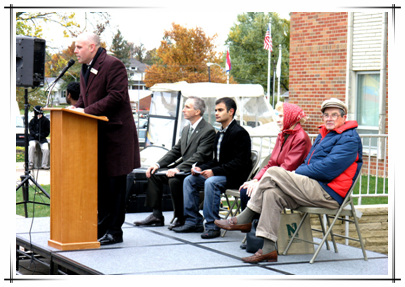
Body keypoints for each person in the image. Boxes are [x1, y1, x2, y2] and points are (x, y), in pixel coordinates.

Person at [215, 98, 363, 263]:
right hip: (314, 186)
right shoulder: (324, 135)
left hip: (329, 192)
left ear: (344, 117)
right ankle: (269, 249)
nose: (329, 118)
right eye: (326, 115)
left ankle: (245, 217)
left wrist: (297, 172)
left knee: (274, 172)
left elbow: (327, 170)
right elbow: (309, 163)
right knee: (272, 194)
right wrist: (300, 172)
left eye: (334, 115)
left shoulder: (349, 138)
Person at [72, 32, 140, 245]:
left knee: (114, 186)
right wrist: (74, 109)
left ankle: (114, 231)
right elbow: (85, 98)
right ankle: (101, 227)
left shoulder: (113, 64)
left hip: (115, 137)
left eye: (79, 47)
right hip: (96, 137)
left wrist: (86, 111)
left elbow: (116, 96)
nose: (75, 51)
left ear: (92, 47)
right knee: (101, 186)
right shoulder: (85, 67)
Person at [173, 97, 252, 239]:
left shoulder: (240, 133)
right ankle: (193, 220)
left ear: (231, 112)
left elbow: (239, 163)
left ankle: (212, 225)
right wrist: (199, 168)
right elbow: (216, 160)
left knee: (211, 182)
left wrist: (214, 172)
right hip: (221, 173)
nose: (216, 113)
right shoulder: (220, 133)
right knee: (190, 179)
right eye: (215, 110)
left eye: (220, 110)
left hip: (235, 177)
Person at [134, 96, 216, 230]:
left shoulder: (208, 131)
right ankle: (156, 215)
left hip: (196, 171)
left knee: (174, 180)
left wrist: (178, 168)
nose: (183, 110)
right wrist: (158, 164)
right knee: (154, 174)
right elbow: (176, 151)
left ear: (197, 112)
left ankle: (181, 217)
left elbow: (200, 156)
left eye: (187, 107)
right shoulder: (186, 129)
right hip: (183, 168)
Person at [239, 102, 311, 210]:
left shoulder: (301, 138)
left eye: (281, 116)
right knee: (247, 188)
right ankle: (250, 224)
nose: (277, 119)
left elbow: (287, 168)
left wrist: (261, 183)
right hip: (276, 178)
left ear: (291, 116)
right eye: (277, 115)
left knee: (252, 191)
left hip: (291, 182)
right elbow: (271, 163)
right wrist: (255, 179)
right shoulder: (283, 135)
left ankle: (252, 224)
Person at [28, 105, 50, 169]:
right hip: (33, 138)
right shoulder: (32, 120)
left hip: (42, 139)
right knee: (31, 146)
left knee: (46, 149)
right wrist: (35, 134)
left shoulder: (46, 121)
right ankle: (30, 164)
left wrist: (41, 135)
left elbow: (47, 132)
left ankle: (44, 164)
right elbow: (31, 130)